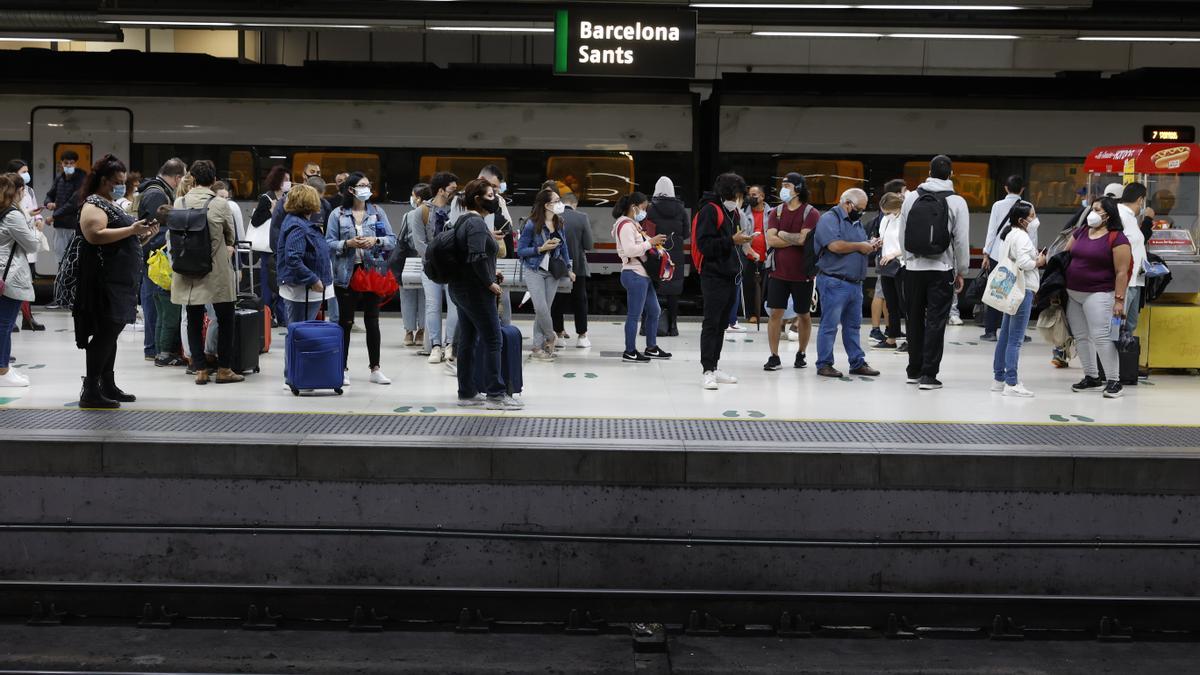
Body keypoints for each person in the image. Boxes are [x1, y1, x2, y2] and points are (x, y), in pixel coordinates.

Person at [74, 155, 158, 408]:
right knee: (105, 334)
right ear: (103, 180)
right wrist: (132, 230)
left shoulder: (110, 204)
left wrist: (142, 235)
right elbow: (95, 235)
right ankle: (90, 390)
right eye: (117, 182)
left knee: (110, 335)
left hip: (119, 282)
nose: (122, 186)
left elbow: (120, 240)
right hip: (104, 282)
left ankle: (106, 384)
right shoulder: (93, 205)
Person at [448, 179, 524, 410]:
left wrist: (493, 270)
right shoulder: (477, 224)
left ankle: (467, 392)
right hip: (476, 292)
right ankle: (495, 395)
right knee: (493, 340)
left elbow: (470, 257)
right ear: (478, 199)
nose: (495, 200)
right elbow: (478, 257)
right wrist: (489, 281)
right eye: (491, 196)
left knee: (468, 341)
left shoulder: (463, 221)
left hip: (461, 289)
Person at [898, 155, 971, 390]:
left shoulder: (911, 198)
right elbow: (960, 240)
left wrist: (907, 259)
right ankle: (929, 375)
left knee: (914, 319)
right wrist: (961, 270)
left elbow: (903, 233)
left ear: (928, 172)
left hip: (913, 269)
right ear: (950, 174)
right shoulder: (957, 201)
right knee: (936, 322)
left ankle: (913, 370)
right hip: (941, 269)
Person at [171, 160, 242, 386]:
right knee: (225, 318)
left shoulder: (179, 202)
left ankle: (200, 369)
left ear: (192, 178)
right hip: (215, 270)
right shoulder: (220, 204)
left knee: (193, 318)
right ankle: (224, 369)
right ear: (213, 180)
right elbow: (230, 237)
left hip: (187, 269)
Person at [326, 171, 395, 386]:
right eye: (362, 185)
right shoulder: (337, 214)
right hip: (346, 274)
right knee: (345, 322)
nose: (367, 188)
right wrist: (348, 244)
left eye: (368, 184)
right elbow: (328, 242)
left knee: (372, 321)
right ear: (351, 189)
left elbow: (392, 240)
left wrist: (375, 240)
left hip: (372, 273)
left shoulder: (377, 212)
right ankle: (342, 368)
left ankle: (375, 368)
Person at [1064, 197, 1131, 399]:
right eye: (1092, 208)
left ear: (1108, 214)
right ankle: (1092, 377)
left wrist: (1119, 300)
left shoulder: (1117, 238)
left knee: (1101, 337)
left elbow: (1121, 272)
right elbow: (1065, 255)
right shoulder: (1082, 231)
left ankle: (1114, 381)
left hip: (1099, 293)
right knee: (1081, 337)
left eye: (1097, 209)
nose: (1092, 212)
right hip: (1073, 293)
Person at [812, 188, 881, 379]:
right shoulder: (829, 219)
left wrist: (870, 245)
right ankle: (824, 364)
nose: (861, 212)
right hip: (835, 282)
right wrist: (861, 245)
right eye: (859, 208)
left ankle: (857, 362)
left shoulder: (855, 222)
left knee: (853, 326)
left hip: (854, 283)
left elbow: (855, 245)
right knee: (829, 325)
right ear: (847, 203)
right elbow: (835, 246)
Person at [696, 173, 754, 390]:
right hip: (713, 276)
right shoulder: (710, 211)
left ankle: (715, 365)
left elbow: (731, 243)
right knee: (711, 323)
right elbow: (705, 245)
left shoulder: (734, 213)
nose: (740, 199)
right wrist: (731, 240)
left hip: (730, 274)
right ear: (729, 194)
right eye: (738, 195)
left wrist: (743, 242)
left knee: (721, 324)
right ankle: (707, 371)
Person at [277, 183, 334, 388]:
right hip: (302, 289)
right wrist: (313, 279)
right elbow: (293, 258)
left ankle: (299, 373)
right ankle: (294, 374)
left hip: (304, 289)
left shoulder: (297, 223)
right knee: (299, 332)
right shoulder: (298, 227)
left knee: (300, 331)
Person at [763, 172, 819, 372]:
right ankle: (774, 356)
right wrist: (791, 238)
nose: (783, 189)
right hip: (778, 272)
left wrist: (783, 235)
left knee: (803, 314)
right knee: (775, 313)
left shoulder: (810, 213)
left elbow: (804, 240)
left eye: (787, 185)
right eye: (783, 185)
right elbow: (771, 240)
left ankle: (801, 353)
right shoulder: (775, 212)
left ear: (798, 188)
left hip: (803, 274)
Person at [989, 200, 1046, 397]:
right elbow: (1024, 263)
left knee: (1004, 336)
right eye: (1032, 216)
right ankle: (1011, 382)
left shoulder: (1009, 234)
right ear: (1022, 221)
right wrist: (1039, 260)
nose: (1035, 219)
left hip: (1011, 289)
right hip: (1023, 290)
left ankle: (999, 378)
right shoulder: (1022, 237)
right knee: (1016, 339)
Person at [611, 191, 671, 363]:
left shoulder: (631, 224)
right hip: (634, 273)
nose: (644, 212)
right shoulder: (626, 226)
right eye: (643, 208)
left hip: (642, 274)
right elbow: (630, 250)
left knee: (654, 310)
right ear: (634, 207)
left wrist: (652, 242)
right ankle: (630, 351)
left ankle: (651, 347)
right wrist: (649, 243)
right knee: (634, 315)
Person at [137, 158, 186, 365]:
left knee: (155, 304)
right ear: (177, 178)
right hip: (156, 260)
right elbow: (156, 229)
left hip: (153, 259)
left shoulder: (153, 190)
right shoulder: (158, 194)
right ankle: (155, 349)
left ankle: (154, 348)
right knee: (156, 306)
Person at [518, 188, 575, 360]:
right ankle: (551, 336)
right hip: (534, 269)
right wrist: (540, 249)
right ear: (547, 205)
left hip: (553, 271)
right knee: (541, 308)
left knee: (544, 310)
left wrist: (569, 268)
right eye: (557, 201)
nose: (560, 204)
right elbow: (521, 250)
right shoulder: (531, 224)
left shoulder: (559, 222)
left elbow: (564, 247)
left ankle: (538, 347)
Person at [409, 171, 459, 362]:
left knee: (454, 305)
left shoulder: (457, 210)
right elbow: (419, 242)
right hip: (430, 267)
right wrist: (436, 258)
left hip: (453, 267)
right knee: (433, 305)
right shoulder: (421, 211)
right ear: (441, 190)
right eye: (452, 189)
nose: (456, 193)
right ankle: (436, 345)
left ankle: (450, 344)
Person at [0, 174, 42, 386]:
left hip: (2, 273)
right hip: (9, 276)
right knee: (4, 324)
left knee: (4, 324)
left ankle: (4, 367)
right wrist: (34, 227)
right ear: (16, 191)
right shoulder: (12, 215)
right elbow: (32, 245)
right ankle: (2, 371)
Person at [980, 175, 1026, 342]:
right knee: (1018, 291)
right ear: (1022, 189)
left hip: (997, 254)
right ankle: (1018, 331)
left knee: (996, 290)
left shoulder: (997, 206)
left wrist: (986, 253)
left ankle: (991, 331)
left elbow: (992, 230)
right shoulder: (1028, 206)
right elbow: (1032, 233)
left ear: (1006, 188)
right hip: (1019, 255)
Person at [866, 179, 907, 342]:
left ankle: (911, 340)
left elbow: (908, 244)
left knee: (905, 304)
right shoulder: (886, 219)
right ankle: (892, 338)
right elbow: (884, 237)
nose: (886, 214)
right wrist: (878, 242)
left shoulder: (905, 219)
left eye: (888, 211)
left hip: (902, 265)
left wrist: (894, 254)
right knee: (891, 303)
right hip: (886, 266)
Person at [7, 159, 45, 332]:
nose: (26, 175)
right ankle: (13, 317)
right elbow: (17, 215)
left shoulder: (29, 190)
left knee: (27, 281)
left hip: (28, 237)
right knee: (12, 283)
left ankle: (27, 317)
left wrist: (38, 219)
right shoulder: (8, 193)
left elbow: (32, 209)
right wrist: (29, 216)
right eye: (23, 171)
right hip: (16, 241)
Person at [647, 176, 687, 338]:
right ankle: (673, 326)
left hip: (655, 254)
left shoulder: (650, 209)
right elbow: (686, 234)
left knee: (652, 291)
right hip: (675, 255)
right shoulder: (681, 210)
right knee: (673, 293)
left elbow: (646, 233)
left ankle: (648, 326)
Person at [552, 191, 594, 347]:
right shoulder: (582, 217)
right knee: (579, 300)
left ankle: (559, 335)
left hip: (556, 267)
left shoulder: (553, 217)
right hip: (578, 267)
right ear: (574, 204)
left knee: (557, 301)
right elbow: (589, 245)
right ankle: (582, 336)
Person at [250, 165, 290, 327]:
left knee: (283, 281)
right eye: (286, 180)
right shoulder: (266, 198)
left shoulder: (289, 198)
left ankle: (282, 315)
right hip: (268, 248)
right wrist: (271, 211)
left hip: (284, 246)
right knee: (267, 282)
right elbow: (255, 221)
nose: (288, 183)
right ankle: (267, 315)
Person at [43, 150, 87, 287]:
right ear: (61, 164)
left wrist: (53, 216)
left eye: (71, 163)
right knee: (61, 260)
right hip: (60, 226)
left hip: (74, 225)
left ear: (76, 163)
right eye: (66, 163)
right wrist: (48, 202)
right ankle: (63, 293)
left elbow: (73, 203)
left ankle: (71, 294)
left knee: (74, 260)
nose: (68, 165)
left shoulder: (82, 179)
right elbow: (50, 194)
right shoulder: (59, 178)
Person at [1117, 182, 1149, 334]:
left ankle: (1124, 355)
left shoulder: (1131, 218)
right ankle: (1111, 357)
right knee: (1117, 325)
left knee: (1130, 325)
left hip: (1135, 281)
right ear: (1140, 200)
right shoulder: (1121, 215)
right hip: (1125, 282)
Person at [399, 183, 429, 348]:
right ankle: (422, 331)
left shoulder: (409, 215)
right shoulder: (434, 213)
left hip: (409, 260)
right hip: (427, 260)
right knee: (425, 296)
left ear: (418, 198)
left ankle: (409, 331)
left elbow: (401, 238)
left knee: (407, 296)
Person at [740, 185, 767, 328]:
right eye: (750, 194)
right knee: (749, 285)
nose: (751, 197)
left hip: (768, 256)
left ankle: (763, 312)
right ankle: (751, 314)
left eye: (754, 194)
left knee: (765, 286)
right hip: (749, 256)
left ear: (762, 196)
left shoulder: (772, 213)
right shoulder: (744, 213)